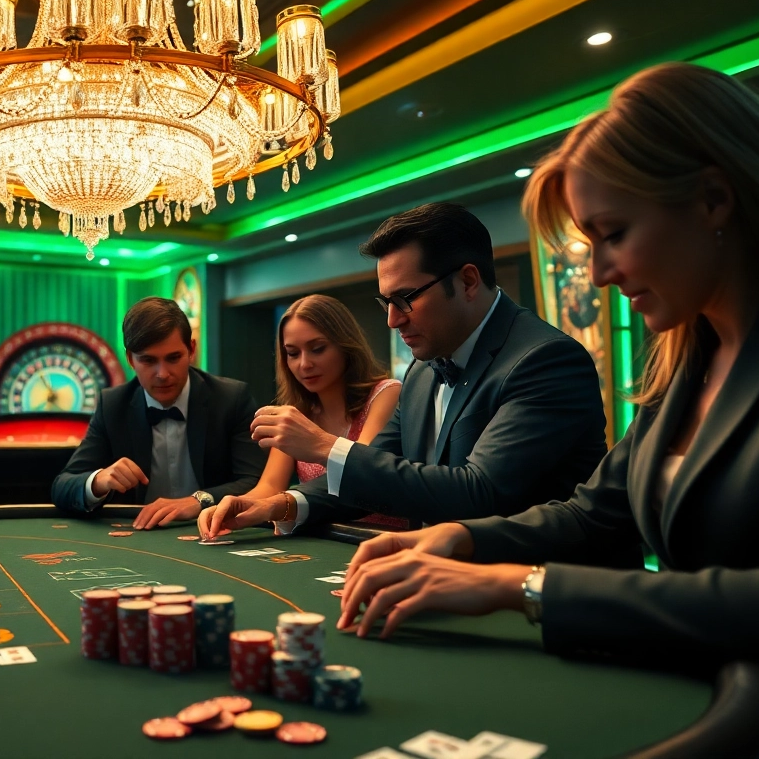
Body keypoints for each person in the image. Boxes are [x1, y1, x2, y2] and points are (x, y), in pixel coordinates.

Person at [335, 64, 759, 689]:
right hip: (695, 680)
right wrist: (460, 540)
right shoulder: (687, 356)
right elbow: (594, 512)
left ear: (713, 200)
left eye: (614, 234)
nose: (597, 274)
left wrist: (516, 586)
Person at [199, 202, 609, 541]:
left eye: (405, 298)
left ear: (468, 281)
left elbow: (480, 492)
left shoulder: (545, 359)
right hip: (439, 579)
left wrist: (324, 446)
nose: (392, 320)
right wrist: (282, 504)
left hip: (536, 594)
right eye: (386, 303)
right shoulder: (423, 370)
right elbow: (375, 469)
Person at [51, 297, 265, 528]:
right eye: (148, 360)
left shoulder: (230, 399)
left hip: (214, 530)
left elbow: (256, 482)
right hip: (139, 535)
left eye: (173, 358)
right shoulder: (113, 405)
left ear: (191, 350)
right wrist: (98, 481)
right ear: (130, 359)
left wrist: (198, 501)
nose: (162, 374)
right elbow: (62, 486)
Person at [228, 295, 401, 523]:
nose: (304, 364)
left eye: (317, 349)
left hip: (383, 537)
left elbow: (362, 470)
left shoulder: (385, 393)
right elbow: (269, 486)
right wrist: (233, 506)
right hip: (322, 539)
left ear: (346, 345)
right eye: (292, 353)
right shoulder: (295, 413)